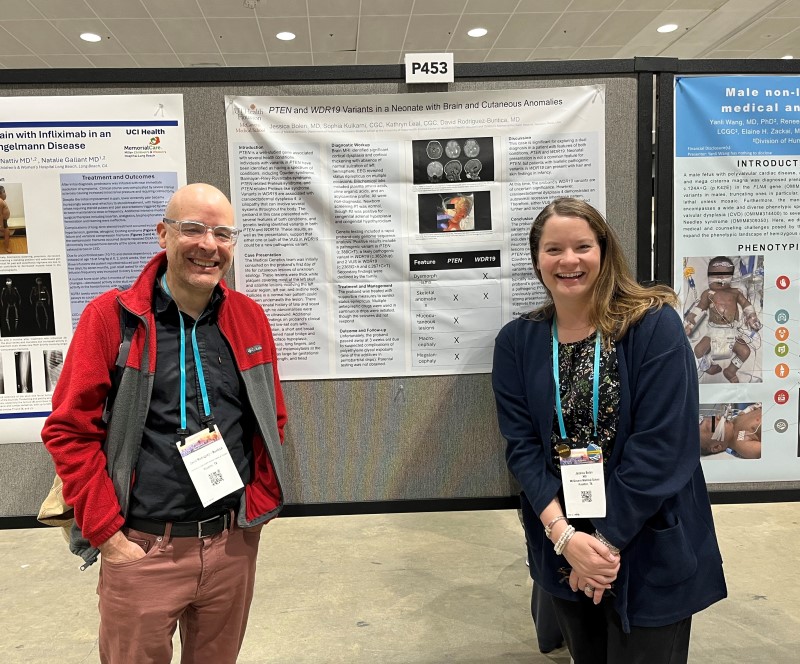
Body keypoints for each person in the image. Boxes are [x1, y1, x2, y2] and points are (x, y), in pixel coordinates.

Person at [41, 183, 287, 664]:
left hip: (230, 543)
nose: (208, 245)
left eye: (222, 233)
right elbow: (68, 431)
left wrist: (254, 513)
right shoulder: (112, 319)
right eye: (192, 229)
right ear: (163, 234)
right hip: (144, 547)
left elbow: (270, 416)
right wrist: (108, 536)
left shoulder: (248, 317)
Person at [492, 198, 726, 664]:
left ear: (604, 251)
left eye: (582, 246)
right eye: (553, 249)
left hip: (646, 535)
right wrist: (565, 538)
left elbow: (664, 449)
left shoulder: (653, 327)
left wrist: (601, 543)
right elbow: (521, 449)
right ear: (537, 260)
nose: (569, 260)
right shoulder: (517, 342)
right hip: (564, 541)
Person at [683, 256, 762, 383]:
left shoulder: (736, 292)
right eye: (715, 274)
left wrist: (752, 316)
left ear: (731, 277)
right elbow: (699, 309)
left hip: (732, 332)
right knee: (698, 350)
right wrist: (690, 324)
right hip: (713, 332)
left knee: (745, 351)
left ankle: (731, 370)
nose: (720, 278)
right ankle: (707, 366)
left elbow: (746, 305)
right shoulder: (707, 293)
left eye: (725, 274)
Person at [1, 186, 11, 253]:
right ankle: (7, 247)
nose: (5, 193)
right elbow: (0, 215)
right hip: (3, 221)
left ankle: (6, 242)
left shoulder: (2, 201)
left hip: (4, 221)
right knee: (7, 233)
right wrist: (1, 225)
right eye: (4, 192)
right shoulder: (0, 201)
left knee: (6, 232)